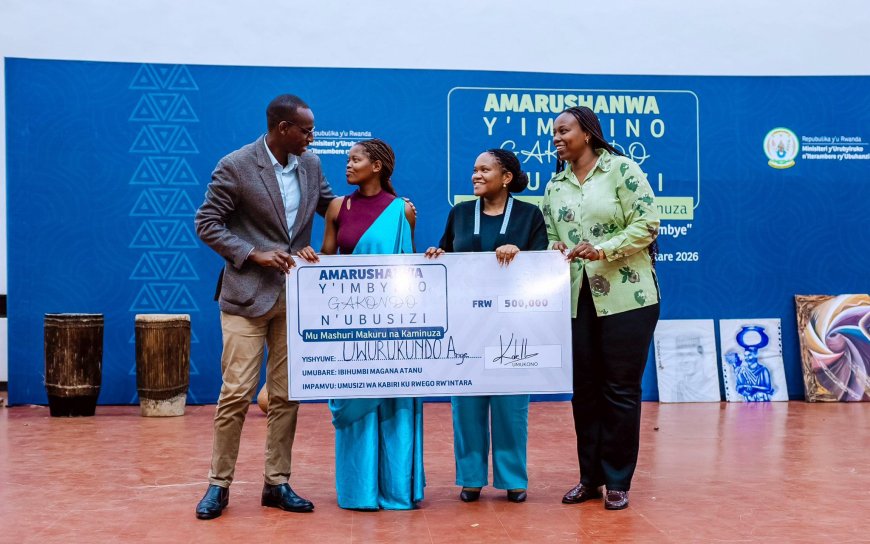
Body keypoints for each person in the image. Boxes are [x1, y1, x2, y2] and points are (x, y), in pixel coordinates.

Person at [193, 94, 334, 520]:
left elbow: (333, 208)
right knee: (236, 393)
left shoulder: (311, 165)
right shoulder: (236, 165)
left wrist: (390, 204)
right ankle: (218, 484)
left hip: (293, 298)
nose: (312, 137)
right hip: (245, 297)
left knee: (286, 395)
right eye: (306, 130)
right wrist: (254, 254)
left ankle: (277, 483)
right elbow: (207, 224)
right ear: (282, 128)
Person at [540, 106, 660, 511]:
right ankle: (589, 478)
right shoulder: (555, 185)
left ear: (587, 134)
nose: (556, 138)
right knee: (586, 392)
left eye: (564, 130)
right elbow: (550, 232)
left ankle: (618, 481)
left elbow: (647, 224)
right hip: (576, 299)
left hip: (628, 299)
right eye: (554, 132)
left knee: (620, 390)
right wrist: (555, 245)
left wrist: (603, 249)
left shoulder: (621, 170)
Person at [425, 149, 548, 503]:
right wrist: (437, 256)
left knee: (511, 406)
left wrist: (521, 255)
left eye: (484, 170)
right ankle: (471, 478)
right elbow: (448, 257)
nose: (475, 175)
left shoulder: (529, 215)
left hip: (514, 326)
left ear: (506, 177)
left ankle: (513, 478)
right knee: (466, 405)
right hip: (466, 325)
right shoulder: (460, 213)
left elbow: (542, 266)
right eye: (474, 169)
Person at [320, 138, 424, 510]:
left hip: (393, 324)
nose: (348, 165)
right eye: (347, 159)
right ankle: (358, 491)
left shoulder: (403, 210)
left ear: (377, 166)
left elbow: (409, 270)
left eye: (356, 159)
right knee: (356, 404)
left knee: (394, 403)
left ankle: (396, 489)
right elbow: (325, 263)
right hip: (350, 323)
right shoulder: (337, 207)